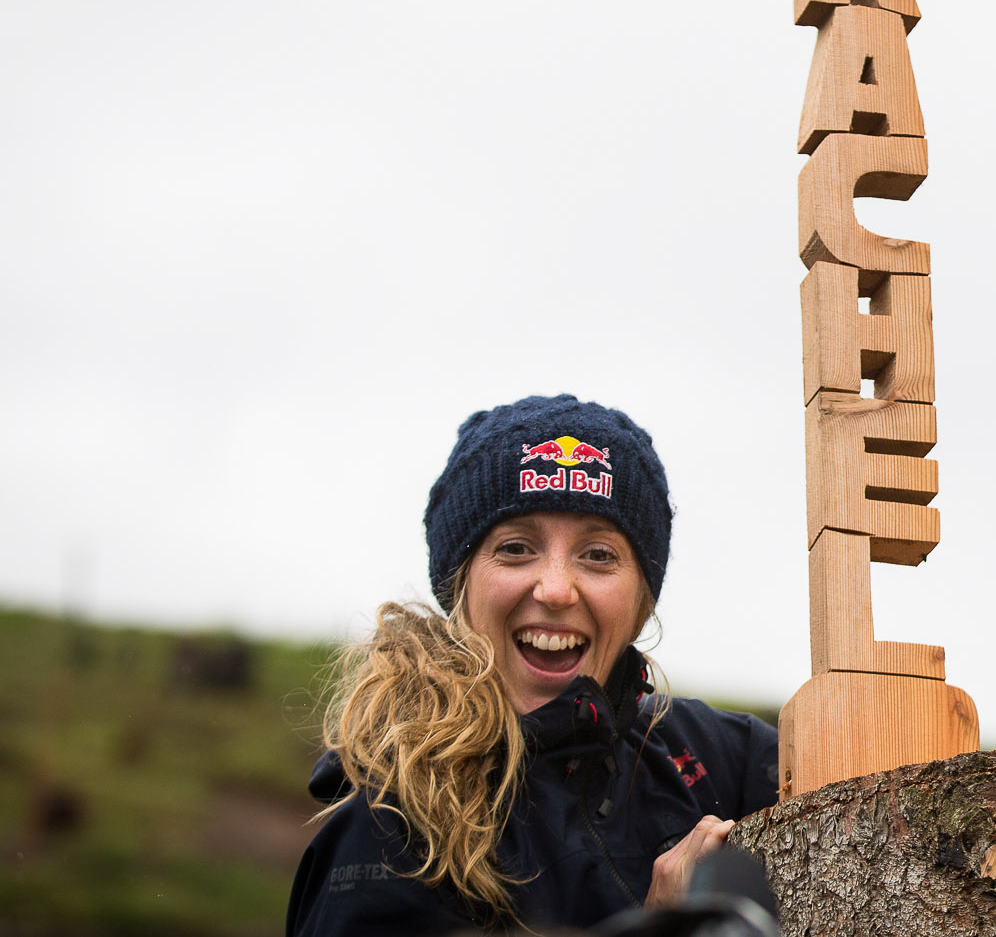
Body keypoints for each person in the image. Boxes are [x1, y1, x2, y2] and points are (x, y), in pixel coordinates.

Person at [287, 394, 780, 935]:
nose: (555, 589)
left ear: (642, 598)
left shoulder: (722, 759)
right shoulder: (392, 825)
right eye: (517, 548)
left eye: (598, 555)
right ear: (461, 584)